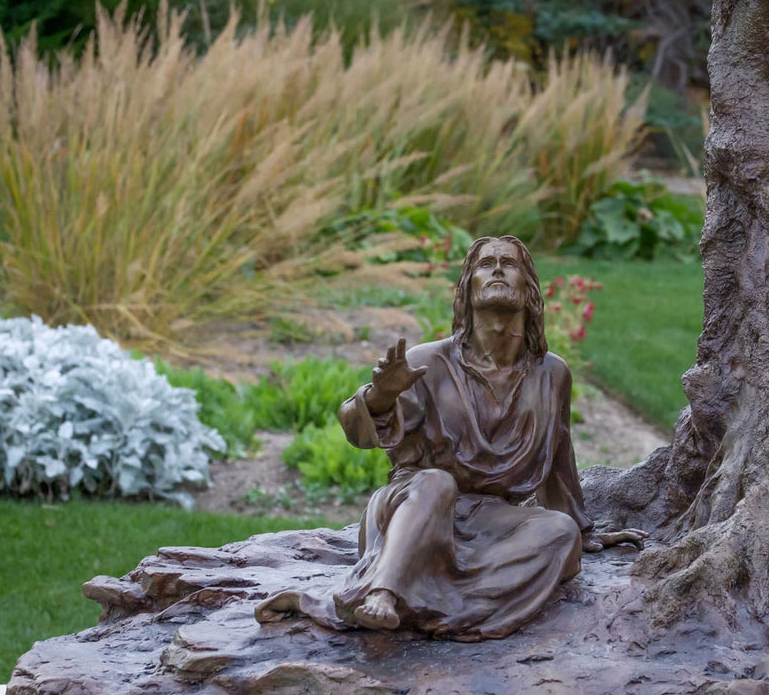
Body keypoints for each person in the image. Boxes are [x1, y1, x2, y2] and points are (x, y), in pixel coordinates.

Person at [257, 236, 644, 641]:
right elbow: (358, 431)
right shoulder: (427, 363)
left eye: (509, 263)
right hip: (414, 508)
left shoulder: (551, 374)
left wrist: (581, 530)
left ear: (530, 290)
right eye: (486, 264)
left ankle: (429, 602)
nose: (497, 269)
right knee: (437, 482)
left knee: (560, 534)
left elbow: (559, 457)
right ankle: (382, 592)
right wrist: (379, 397)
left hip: (490, 523)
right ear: (466, 290)